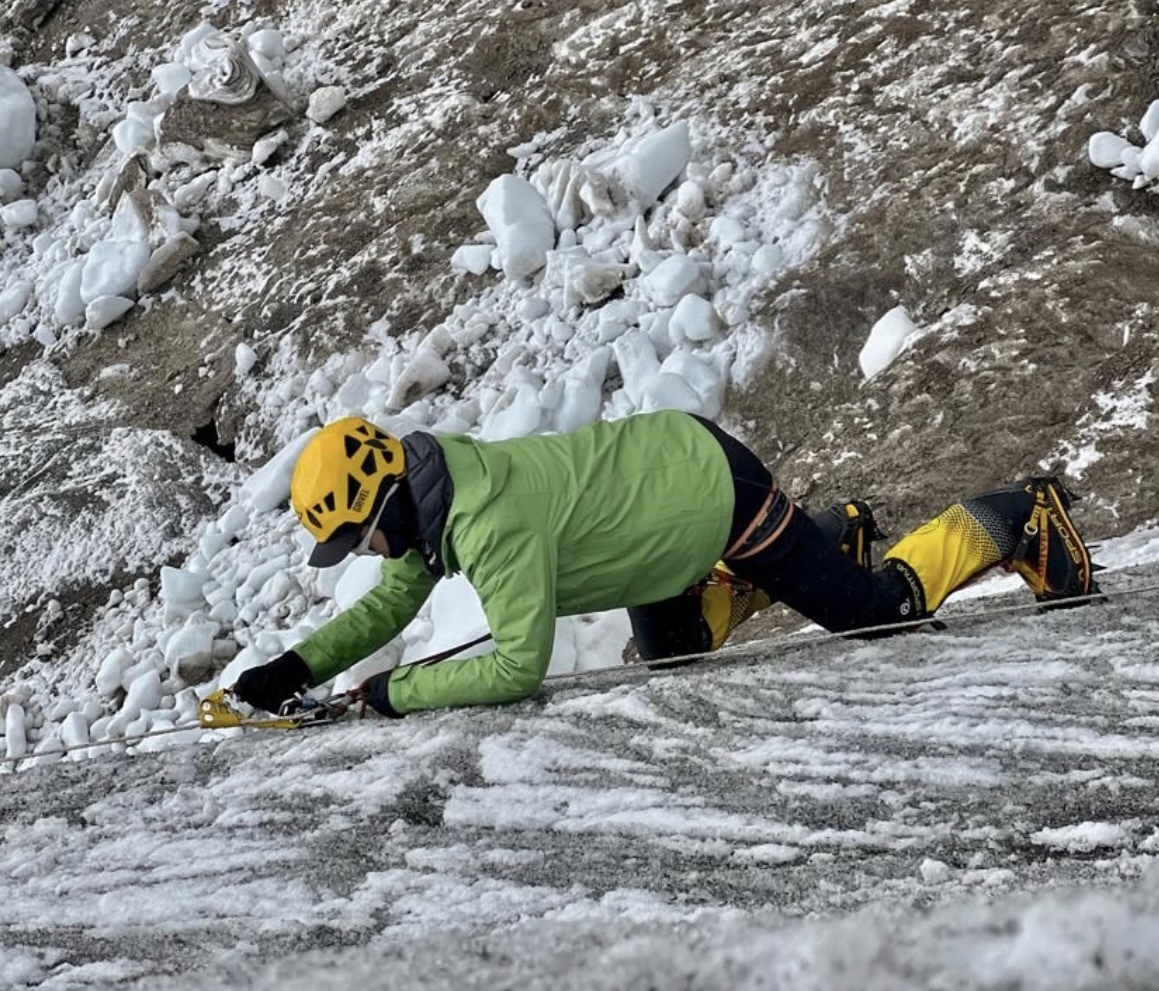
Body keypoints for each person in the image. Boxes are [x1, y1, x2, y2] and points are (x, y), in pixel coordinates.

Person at [233, 411, 1098, 717]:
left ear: (383, 505)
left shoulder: (488, 520)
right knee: (672, 656)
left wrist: (391, 693)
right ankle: (827, 538)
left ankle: (1016, 518)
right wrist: (296, 666)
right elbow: (387, 610)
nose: (366, 556)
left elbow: (514, 670)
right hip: (657, 518)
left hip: (702, 493)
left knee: (876, 615)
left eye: (358, 538)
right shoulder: (437, 502)